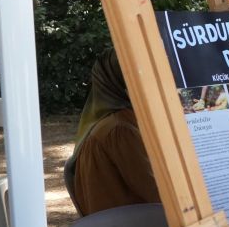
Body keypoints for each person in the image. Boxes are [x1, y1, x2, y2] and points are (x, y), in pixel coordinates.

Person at [63, 51, 159, 216]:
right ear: (122, 81)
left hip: (120, 226)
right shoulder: (120, 129)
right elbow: (156, 191)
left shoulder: (114, 122)